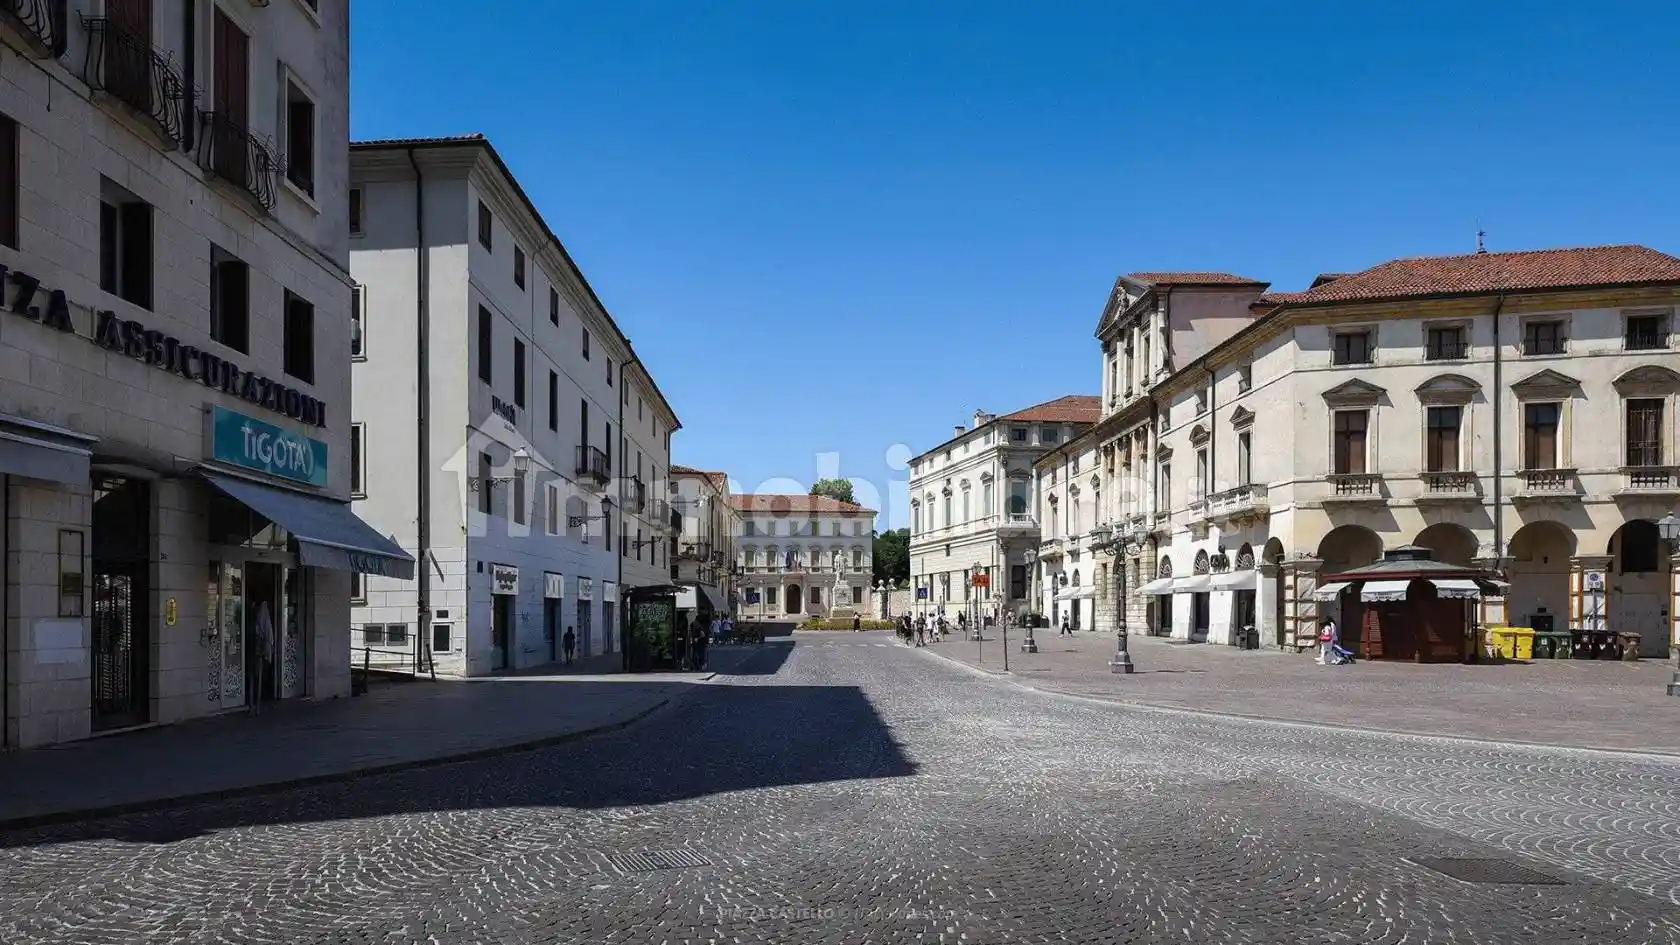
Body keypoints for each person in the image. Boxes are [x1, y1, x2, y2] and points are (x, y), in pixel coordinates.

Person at [249, 600, 275, 716]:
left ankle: (254, 706)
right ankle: (254, 706)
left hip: (256, 652)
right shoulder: (259, 618)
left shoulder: (257, 617)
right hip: (255, 652)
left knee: (255, 679)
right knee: (255, 679)